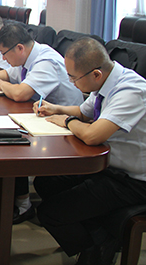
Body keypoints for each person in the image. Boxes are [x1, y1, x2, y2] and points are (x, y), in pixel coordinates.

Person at [33, 37, 146, 265]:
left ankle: (96, 248)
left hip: (133, 181)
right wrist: (55, 109)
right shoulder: (105, 81)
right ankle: (98, 233)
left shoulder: (132, 90)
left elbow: (93, 135)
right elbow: (85, 112)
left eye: (73, 78)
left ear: (95, 74)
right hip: (108, 167)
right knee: (46, 183)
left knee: (50, 213)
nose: (71, 82)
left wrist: (67, 121)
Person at [0, 23, 84, 224]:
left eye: (5, 54)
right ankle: (10, 198)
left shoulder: (46, 61)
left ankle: (23, 206)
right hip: (44, 118)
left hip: (66, 126)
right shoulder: (28, 57)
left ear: (20, 48)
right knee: (3, 134)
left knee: (11, 142)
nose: (3, 59)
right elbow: (10, 74)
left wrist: (0, 83)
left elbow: (21, 94)